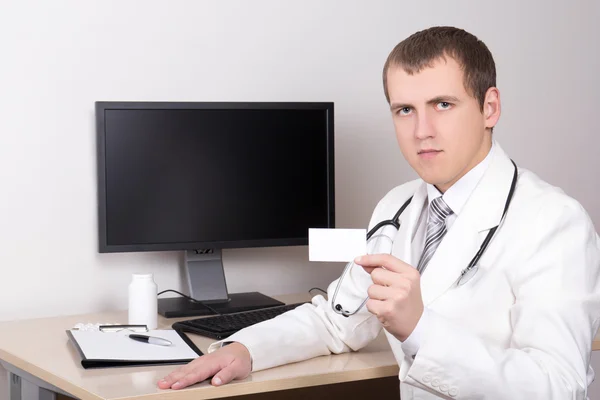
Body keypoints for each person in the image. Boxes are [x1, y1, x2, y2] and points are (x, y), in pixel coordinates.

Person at [158, 26, 600, 399]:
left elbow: (560, 386)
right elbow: (338, 320)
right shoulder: (399, 206)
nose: (421, 131)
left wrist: (420, 328)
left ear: (490, 107)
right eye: (405, 110)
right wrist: (244, 349)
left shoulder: (553, 222)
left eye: (442, 105)